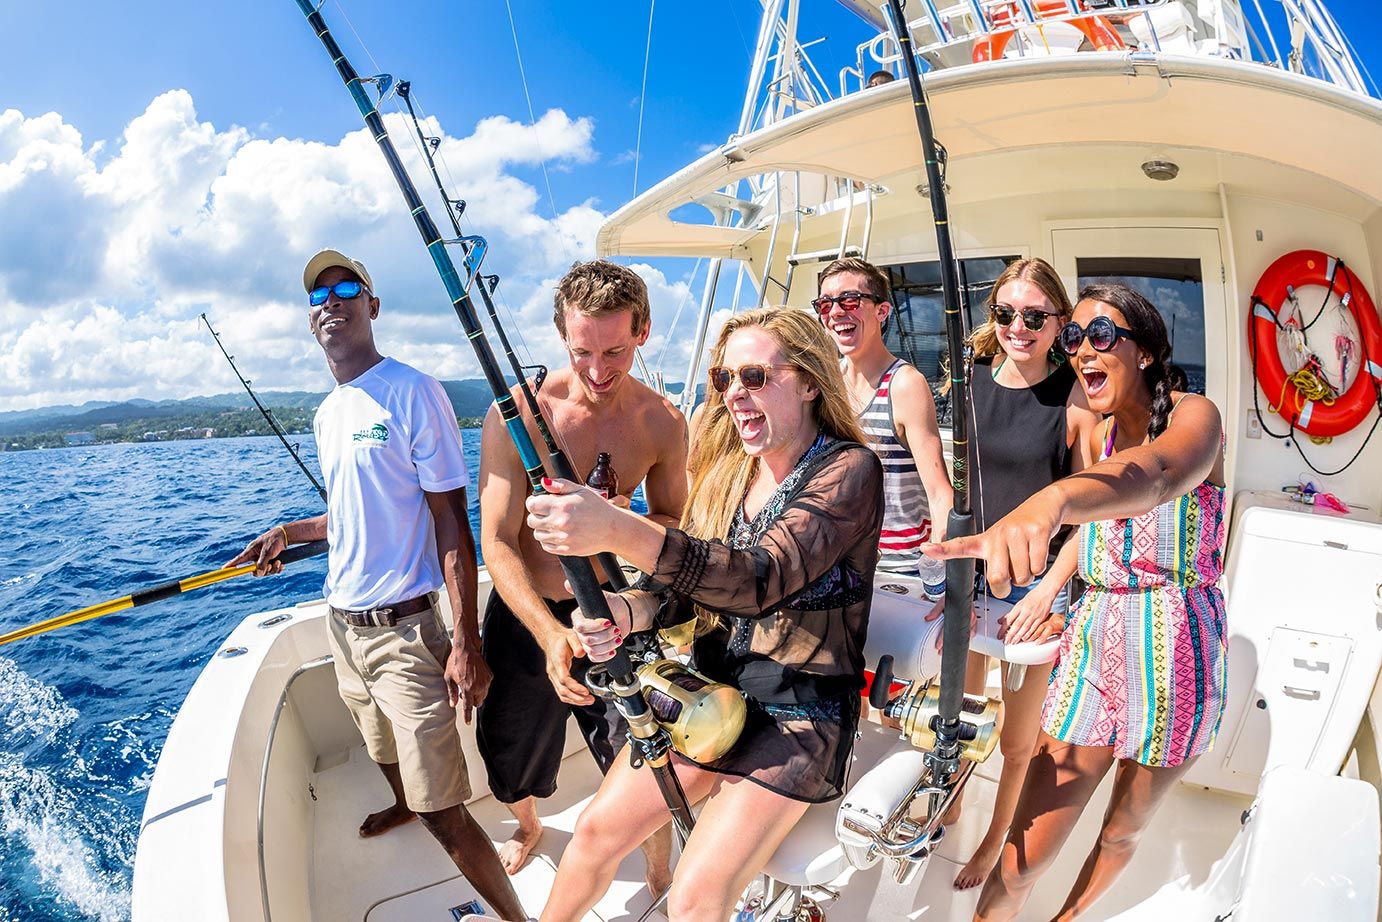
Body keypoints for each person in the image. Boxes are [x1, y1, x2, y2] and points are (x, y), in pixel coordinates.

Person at [524, 307, 883, 921]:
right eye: (725, 380)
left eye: (754, 377)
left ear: (809, 381)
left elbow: (756, 580)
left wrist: (616, 527)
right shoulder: (730, 476)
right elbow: (690, 592)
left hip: (800, 713)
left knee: (693, 899)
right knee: (592, 834)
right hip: (712, 700)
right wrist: (628, 609)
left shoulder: (851, 470)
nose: (735, 396)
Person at [228, 249, 525, 921]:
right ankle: (400, 803)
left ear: (372, 305)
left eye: (345, 287)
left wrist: (465, 642)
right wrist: (289, 532)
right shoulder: (326, 414)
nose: (330, 300)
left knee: (446, 813)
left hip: (406, 630)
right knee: (377, 742)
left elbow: (452, 518)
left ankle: (517, 918)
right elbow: (351, 514)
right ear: (311, 320)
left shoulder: (413, 391)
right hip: (344, 624)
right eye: (318, 294)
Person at [923, 283, 1227, 921]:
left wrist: (1051, 500)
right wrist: (1053, 583)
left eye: (1102, 335)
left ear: (1144, 353)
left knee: (1121, 831)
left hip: (1179, 654)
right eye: (1075, 337)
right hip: (1096, 643)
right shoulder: (1097, 434)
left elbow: (1158, 476)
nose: (1084, 348)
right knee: (1026, 853)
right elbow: (1096, 518)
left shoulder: (1196, 417)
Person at [475, 260, 685, 891]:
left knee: (645, 750)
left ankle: (658, 866)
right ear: (562, 337)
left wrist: (622, 521)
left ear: (643, 332)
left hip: (614, 614)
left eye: (616, 351)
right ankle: (529, 824)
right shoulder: (518, 414)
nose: (598, 370)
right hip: (529, 616)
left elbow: (675, 526)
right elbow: (497, 540)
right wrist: (547, 635)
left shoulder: (662, 422)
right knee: (509, 749)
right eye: (582, 351)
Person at [948, 258, 1099, 890]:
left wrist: (1047, 591)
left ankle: (992, 841)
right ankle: (951, 799)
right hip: (970, 585)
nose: (1018, 327)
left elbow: (1092, 514)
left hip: (1036, 591)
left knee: (1016, 739)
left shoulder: (1075, 398)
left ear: (1059, 322)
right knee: (958, 709)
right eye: (1005, 313)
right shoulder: (970, 382)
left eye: (1034, 316)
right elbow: (956, 492)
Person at [814, 256, 953, 571]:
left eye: (849, 300)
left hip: (900, 570)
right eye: (825, 305)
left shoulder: (905, 384)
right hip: (840, 566)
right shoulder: (826, 384)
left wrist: (947, 577)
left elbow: (939, 492)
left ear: (882, 311)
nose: (836, 312)